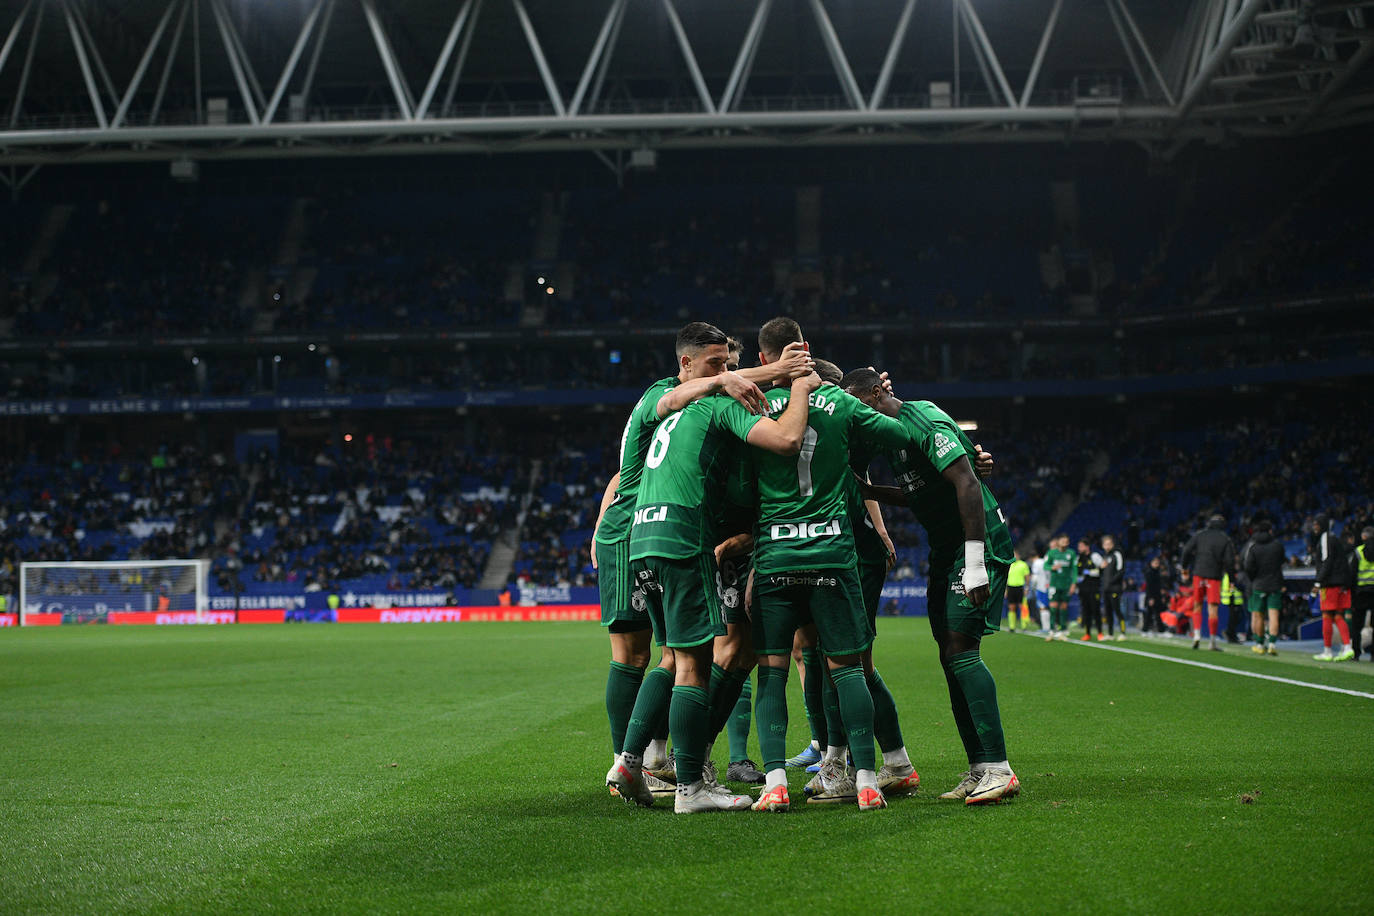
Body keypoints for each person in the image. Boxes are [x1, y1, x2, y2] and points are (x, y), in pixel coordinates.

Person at [605, 323, 818, 813]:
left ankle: (631, 759)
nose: (729, 374)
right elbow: (787, 441)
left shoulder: (671, 409)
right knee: (694, 663)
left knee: (670, 656)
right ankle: (690, 783)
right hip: (687, 538)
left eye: (730, 366)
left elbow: (621, 474)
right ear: (686, 364)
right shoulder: (711, 402)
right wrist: (799, 384)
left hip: (643, 537)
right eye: (718, 366)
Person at [748, 320, 914, 813]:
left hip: (775, 558)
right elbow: (901, 432)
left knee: (773, 674)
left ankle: (774, 782)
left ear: (768, 359)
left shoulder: (750, 408)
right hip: (832, 556)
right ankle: (865, 781)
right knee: (848, 670)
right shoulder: (843, 405)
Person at [845, 367, 1020, 806]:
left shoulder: (920, 418)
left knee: (961, 650)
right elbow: (919, 492)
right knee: (949, 655)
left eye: (856, 403)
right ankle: (980, 767)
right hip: (944, 550)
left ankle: (1000, 768)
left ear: (874, 394)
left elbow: (966, 481)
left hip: (972, 547)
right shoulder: (893, 441)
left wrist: (976, 562)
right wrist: (869, 489)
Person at [1180, 514, 1236, 651]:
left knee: (1197, 605)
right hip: (1214, 576)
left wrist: (1184, 568)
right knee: (1213, 609)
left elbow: (1186, 550)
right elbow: (1229, 561)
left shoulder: (1200, 535)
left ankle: (1197, 635)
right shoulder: (1225, 539)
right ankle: (1212, 642)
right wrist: (1231, 579)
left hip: (1198, 574)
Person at [1311, 514, 1355, 662]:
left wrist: (1318, 582)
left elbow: (1327, 561)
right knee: (1338, 616)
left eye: (1316, 524)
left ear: (1322, 525)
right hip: (1342, 584)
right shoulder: (1334, 538)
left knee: (1326, 616)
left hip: (1330, 584)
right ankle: (1347, 647)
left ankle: (1328, 651)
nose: (1314, 527)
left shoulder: (1325, 538)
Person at [1243, 519, 1286, 656]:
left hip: (1259, 584)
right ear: (1270, 530)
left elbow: (1248, 567)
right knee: (1274, 615)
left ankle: (1260, 644)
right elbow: (1281, 561)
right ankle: (1272, 644)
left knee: (1258, 615)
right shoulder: (1277, 546)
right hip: (1274, 584)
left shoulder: (1254, 547)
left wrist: (1254, 578)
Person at [1045, 534, 1077, 641]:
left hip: (1066, 585)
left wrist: (1073, 583)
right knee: (1053, 608)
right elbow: (1045, 565)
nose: (1065, 543)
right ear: (1058, 542)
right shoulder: (1052, 553)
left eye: (1066, 541)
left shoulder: (1071, 553)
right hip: (1054, 584)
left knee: (1063, 608)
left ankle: (1063, 631)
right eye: (1063, 541)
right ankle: (1051, 631)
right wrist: (1052, 567)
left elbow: (1074, 570)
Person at [1353, 527, 1374, 662]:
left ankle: (1356, 654)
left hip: (1361, 593)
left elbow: (1352, 574)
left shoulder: (1358, 551)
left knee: (1357, 626)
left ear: (1364, 536)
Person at [1100, 535, 1126, 640]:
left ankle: (1123, 633)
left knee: (1117, 610)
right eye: (1105, 544)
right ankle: (1110, 634)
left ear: (1112, 544)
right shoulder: (1105, 557)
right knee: (1108, 611)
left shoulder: (1117, 553)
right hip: (1105, 588)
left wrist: (1111, 582)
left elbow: (1121, 570)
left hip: (1115, 588)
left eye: (1109, 544)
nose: (1107, 546)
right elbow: (1103, 573)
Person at [1077, 538, 1103, 642]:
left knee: (1095, 610)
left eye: (1081, 546)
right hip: (1083, 589)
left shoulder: (1095, 556)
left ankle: (1100, 633)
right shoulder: (1079, 558)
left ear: (1087, 546)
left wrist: (1090, 572)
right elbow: (1077, 572)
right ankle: (1087, 633)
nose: (1079, 548)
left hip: (1094, 588)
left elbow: (1101, 569)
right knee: (1085, 611)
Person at [1006, 551, 1030, 632]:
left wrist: (1027, 588)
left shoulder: (1023, 564)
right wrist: (1005, 590)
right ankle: (1012, 627)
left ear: (1018, 555)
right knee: (1011, 607)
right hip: (1010, 587)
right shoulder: (1009, 564)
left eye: (1015, 555)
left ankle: (1024, 626)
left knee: (1022, 607)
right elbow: (1005, 578)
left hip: (1020, 588)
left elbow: (1027, 577)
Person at [1030, 547, 1051, 634]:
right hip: (1048, 586)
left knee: (1042, 607)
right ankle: (1050, 627)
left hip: (1041, 587)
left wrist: (1033, 587)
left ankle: (1046, 628)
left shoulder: (1036, 563)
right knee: (1047, 607)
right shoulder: (1044, 562)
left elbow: (1035, 577)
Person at [1144, 555, 1166, 635]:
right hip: (1152, 596)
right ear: (1151, 563)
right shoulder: (1149, 572)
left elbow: (1158, 586)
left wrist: (1161, 596)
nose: (1157, 564)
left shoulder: (1157, 572)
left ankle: (1159, 630)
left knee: (1155, 614)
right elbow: (1149, 587)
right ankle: (1145, 630)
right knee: (1150, 614)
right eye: (1155, 563)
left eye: (1158, 563)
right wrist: (1150, 598)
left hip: (1157, 596)